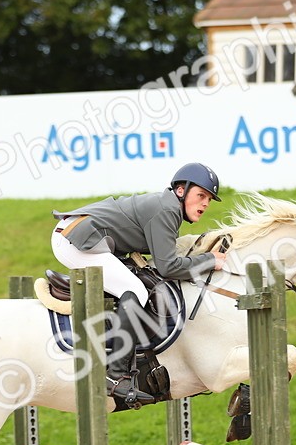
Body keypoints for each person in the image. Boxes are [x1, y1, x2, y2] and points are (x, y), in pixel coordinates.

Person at [51, 162, 227, 406]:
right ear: (180, 191)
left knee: (133, 284)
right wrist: (209, 260)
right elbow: (169, 267)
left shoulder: (168, 208)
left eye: (209, 199)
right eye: (201, 196)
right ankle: (115, 376)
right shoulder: (166, 210)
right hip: (74, 238)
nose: (205, 204)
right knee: (134, 290)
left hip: (83, 236)